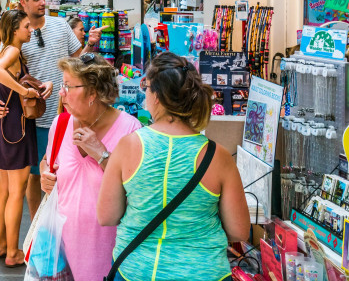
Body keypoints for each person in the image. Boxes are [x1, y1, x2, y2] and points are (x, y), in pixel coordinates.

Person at [97, 52, 250, 281]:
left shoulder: (128, 146)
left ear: (157, 96)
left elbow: (106, 216)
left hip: (137, 270)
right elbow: (239, 230)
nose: (144, 93)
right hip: (203, 272)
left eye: (146, 86)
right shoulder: (217, 156)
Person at [37, 54, 142, 280]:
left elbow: (138, 191)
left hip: (108, 253)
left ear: (93, 92)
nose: (61, 92)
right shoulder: (61, 123)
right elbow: (48, 161)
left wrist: (101, 154)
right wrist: (45, 173)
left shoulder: (130, 130)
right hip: (60, 252)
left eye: (68, 86)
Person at [0, 0, 81, 218]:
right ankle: (36, 224)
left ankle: (61, 220)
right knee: (34, 175)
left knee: (63, 170)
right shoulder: (18, 37)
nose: (43, 3)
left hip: (63, 114)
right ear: (23, 2)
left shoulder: (61, 26)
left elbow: (77, 60)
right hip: (32, 118)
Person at [0, 10, 40, 267]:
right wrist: (25, 90)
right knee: (17, 191)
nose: (31, 30)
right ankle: (13, 252)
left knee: (5, 190)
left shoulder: (5, 49)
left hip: (4, 124)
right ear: (15, 28)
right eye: (27, 26)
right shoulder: (13, 52)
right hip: (15, 125)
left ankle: (0, 246)